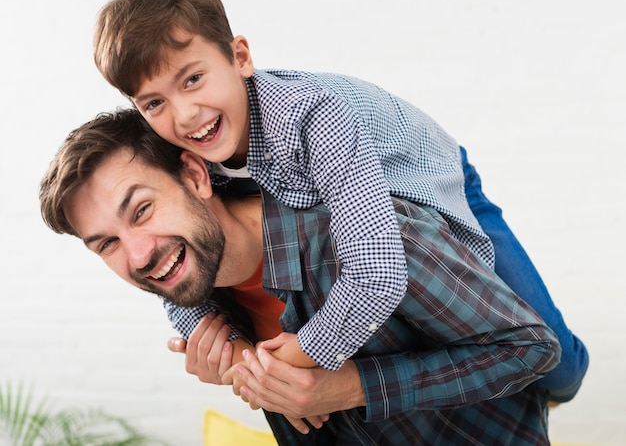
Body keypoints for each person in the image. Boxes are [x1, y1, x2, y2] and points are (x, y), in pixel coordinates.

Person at [92, 0, 587, 398]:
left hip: (426, 176)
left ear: (240, 57)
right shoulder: (184, 155)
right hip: (332, 197)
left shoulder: (315, 117)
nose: (184, 115)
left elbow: (379, 272)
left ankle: (556, 387)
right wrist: (226, 346)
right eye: (153, 103)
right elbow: (164, 251)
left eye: (193, 79)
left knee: (557, 365)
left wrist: (311, 348)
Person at [40, 108, 561, 445]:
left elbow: (531, 348)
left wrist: (353, 387)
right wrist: (255, 376)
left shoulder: (366, 239)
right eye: (106, 243)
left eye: (142, 210)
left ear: (196, 176)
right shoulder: (199, 295)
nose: (138, 254)